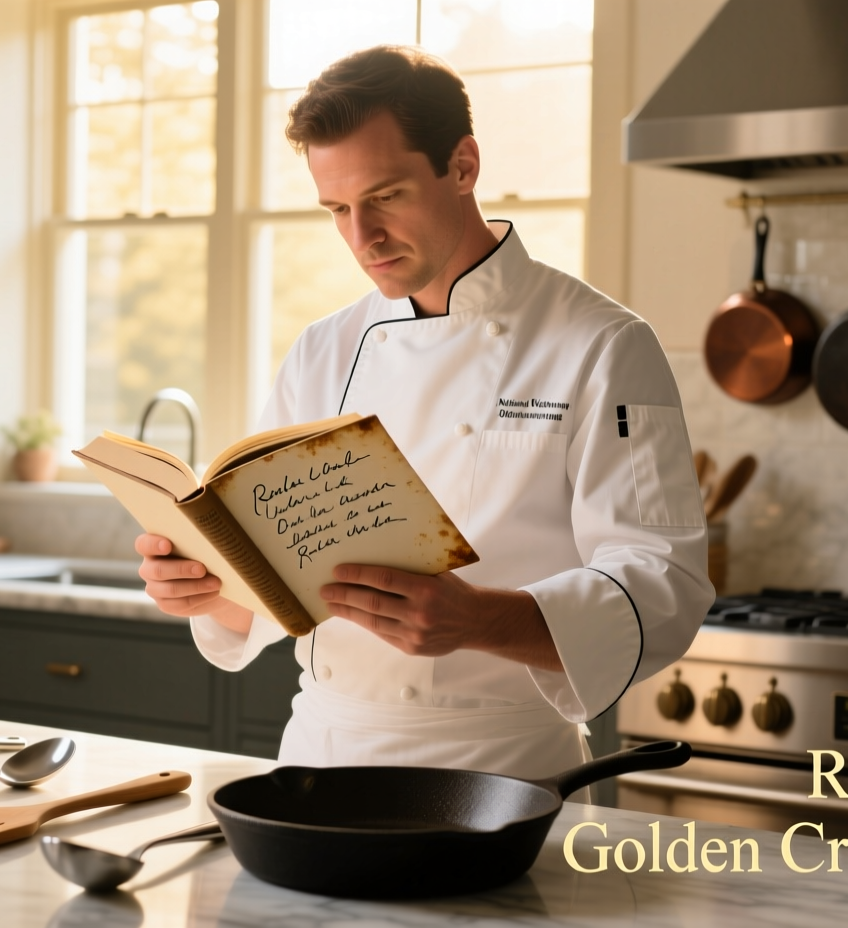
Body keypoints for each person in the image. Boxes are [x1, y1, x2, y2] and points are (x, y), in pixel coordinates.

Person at [135, 45, 712, 778]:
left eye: (385, 196)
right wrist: (207, 588)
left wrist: (481, 620)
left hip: (501, 773)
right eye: (337, 209)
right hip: (320, 759)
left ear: (463, 166)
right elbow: (270, 585)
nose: (360, 237)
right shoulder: (322, 350)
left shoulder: (603, 344)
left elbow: (664, 585)